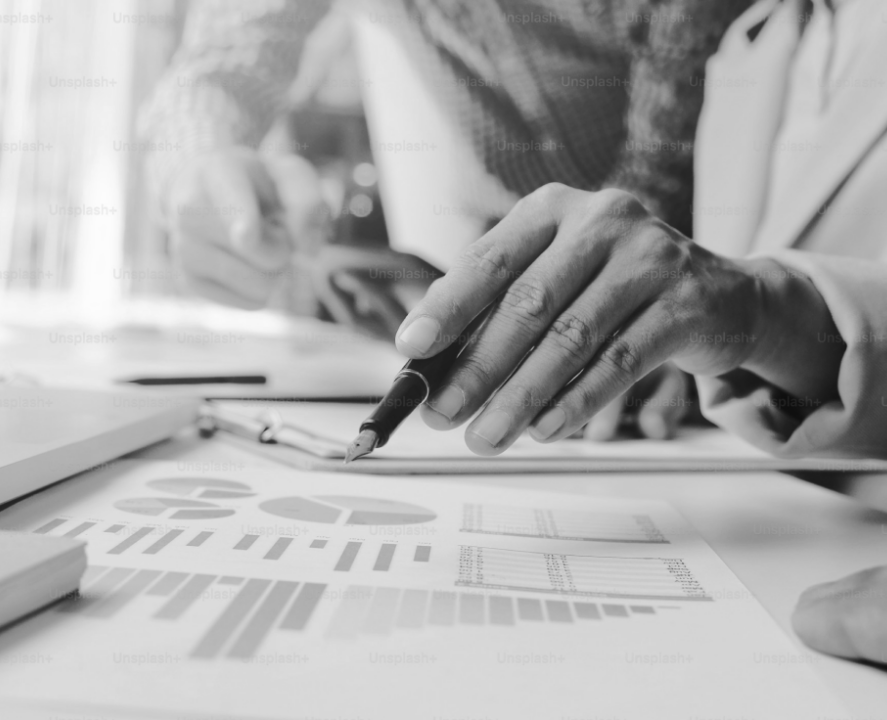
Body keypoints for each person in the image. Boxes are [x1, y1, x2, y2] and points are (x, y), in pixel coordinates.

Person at [391, 0, 887, 714]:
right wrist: (671, 346)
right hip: (764, 568)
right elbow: (734, 317)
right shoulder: (748, 44)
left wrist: (760, 311)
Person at [139, 0, 753, 439]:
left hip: (745, 301)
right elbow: (219, 65)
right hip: (567, 344)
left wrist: (613, 312)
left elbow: (657, 178)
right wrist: (198, 168)